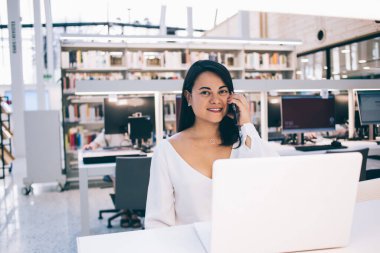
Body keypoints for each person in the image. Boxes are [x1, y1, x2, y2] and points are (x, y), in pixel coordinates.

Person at [145, 60, 278, 229]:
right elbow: (157, 223)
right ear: (188, 97)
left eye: (222, 91)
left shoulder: (245, 143)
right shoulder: (166, 151)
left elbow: (273, 184)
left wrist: (246, 124)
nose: (216, 100)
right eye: (205, 92)